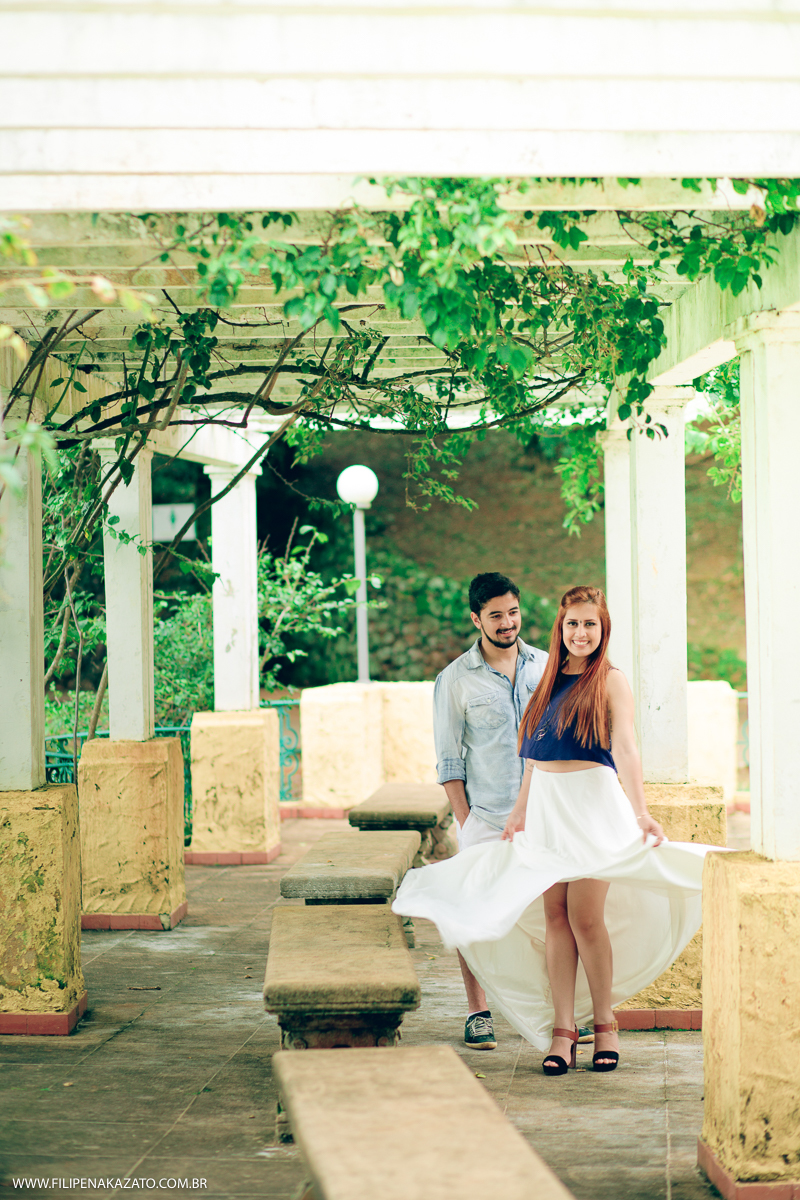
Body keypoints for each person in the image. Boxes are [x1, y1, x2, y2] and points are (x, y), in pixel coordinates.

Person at [395, 585, 721, 1073]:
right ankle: (562, 1031)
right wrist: (521, 810)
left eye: (590, 624)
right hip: (547, 809)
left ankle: (605, 1024)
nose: (580, 632)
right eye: (572, 624)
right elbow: (533, 752)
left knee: (585, 918)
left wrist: (641, 812)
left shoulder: (610, 679)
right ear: (560, 628)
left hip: (591, 808)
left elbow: (626, 748)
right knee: (554, 919)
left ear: (603, 628)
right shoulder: (547, 674)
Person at [433, 572, 548, 1049]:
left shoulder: (548, 667)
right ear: (476, 619)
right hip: (486, 817)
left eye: (513, 612)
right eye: (496, 615)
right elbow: (449, 760)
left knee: (550, 916)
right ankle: (477, 1011)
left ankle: (560, 1011)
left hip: (546, 816)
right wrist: (467, 821)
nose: (507, 623)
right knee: (471, 914)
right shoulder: (454, 680)